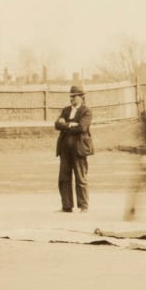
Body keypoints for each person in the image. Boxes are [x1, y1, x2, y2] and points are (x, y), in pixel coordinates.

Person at [53, 84, 94, 212]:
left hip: (79, 149)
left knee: (80, 178)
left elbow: (82, 128)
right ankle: (66, 206)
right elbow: (56, 125)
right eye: (70, 96)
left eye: (74, 96)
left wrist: (65, 124)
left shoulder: (86, 111)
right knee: (64, 178)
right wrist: (71, 125)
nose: (71, 99)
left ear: (81, 97)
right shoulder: (65, 110)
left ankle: (83, 206)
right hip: (65, 149)